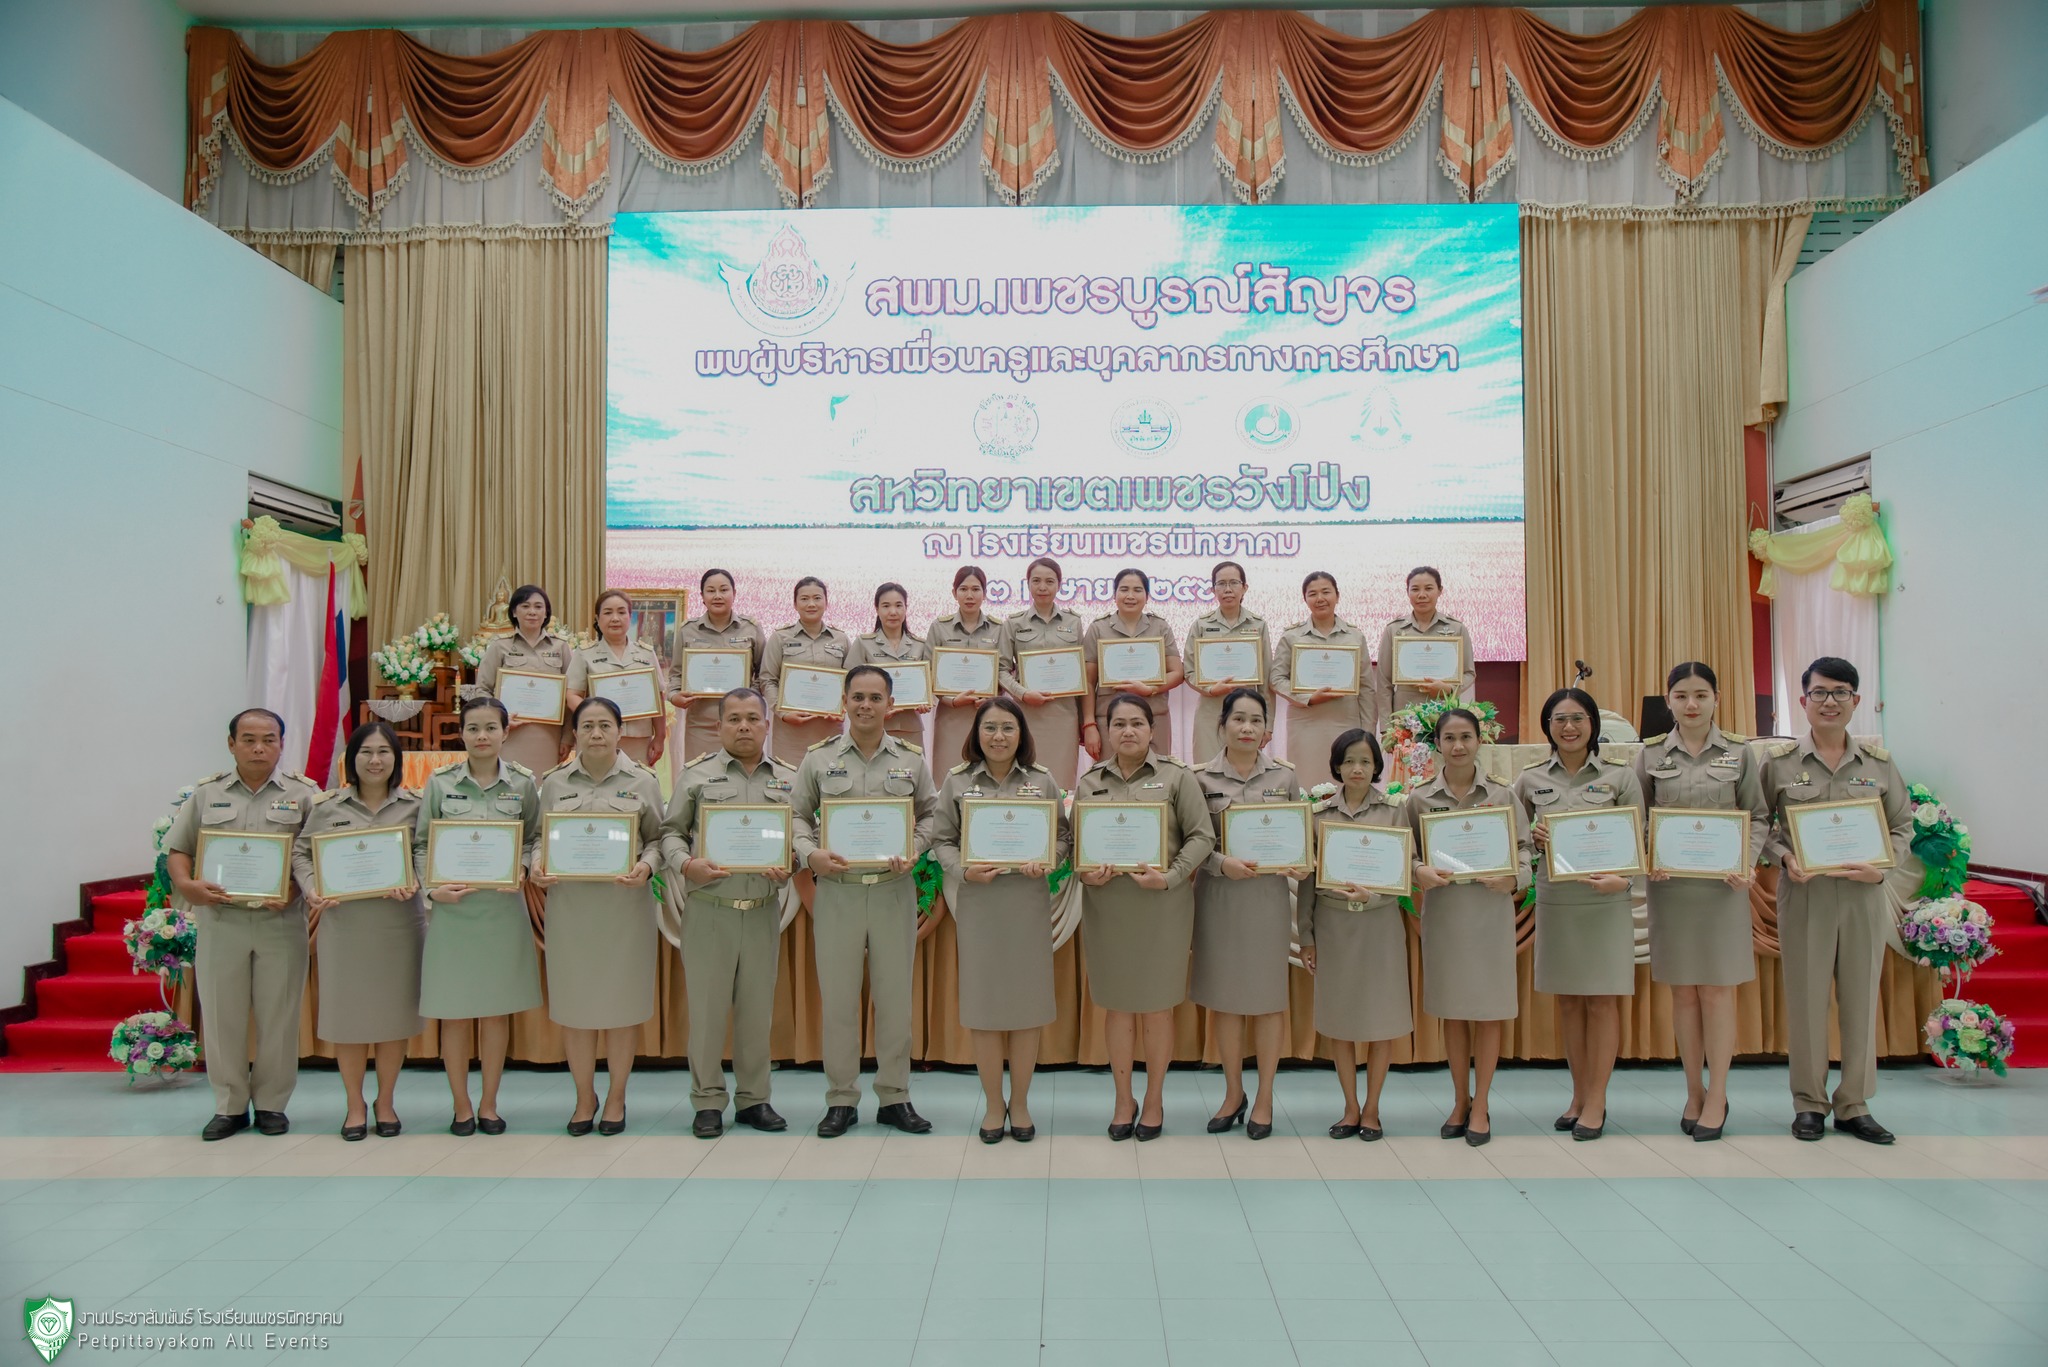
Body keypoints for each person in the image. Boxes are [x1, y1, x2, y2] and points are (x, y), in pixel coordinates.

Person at [1761, 656, 1912, 1145]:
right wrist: (1785, 858)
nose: (1830, 702)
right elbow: (1759, 824)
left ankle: (1854, 1104)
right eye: (1820, 692)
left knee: (1860, 999)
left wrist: (1882, 867)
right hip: (1806, 894)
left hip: (1863, 894)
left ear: (1856, 700)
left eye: (1841, 692)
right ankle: (1809, 1103)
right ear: (1803, 700)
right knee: (1806, 1001)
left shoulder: (1879, 764)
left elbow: (1902, 826)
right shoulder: (1779, 763)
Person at [791, 665, 939, 1138]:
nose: (866, 705)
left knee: (894, 1000)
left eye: (876, 698)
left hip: (893, 889)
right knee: (838, 1000)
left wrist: (915, 847)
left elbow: (933, 815)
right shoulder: (818, 758)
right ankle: (841, 1098)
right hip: (839, 892)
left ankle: (895, 1096)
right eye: (858, 697)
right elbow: (795, 816)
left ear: (890, 704)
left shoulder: (911, 760)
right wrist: (811, 853)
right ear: (844, 702)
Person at [164, 709, 321, 1140]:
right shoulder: (207, 794)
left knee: (280, 1016)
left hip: (280, 921)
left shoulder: (305, 794)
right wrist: (188, 886)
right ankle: (229, 1106)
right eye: (248, 739)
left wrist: (295, 889)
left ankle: (271, 1104)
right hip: (221, 921)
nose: (258, 748)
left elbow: (316, 854)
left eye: (269, 739)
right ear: (231, 743)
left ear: (281, 744)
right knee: (222, 1015)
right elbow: (178, 850)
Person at [1636, 662, 1768, 1143]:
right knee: (1683, 993)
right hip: (1670, 887)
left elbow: (1758, 815)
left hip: (1722, 889)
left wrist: (1746, 861)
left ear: (1717, 698)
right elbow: (1637, 816)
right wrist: (1647, 854)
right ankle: (1694, 1090)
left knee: (1716, 991)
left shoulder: (1740, 753)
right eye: (1681, 696)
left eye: (1701, 695)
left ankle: (1719, 1094)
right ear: (1668, 700)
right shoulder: (1650, 754)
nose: (1691, 704)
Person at [1075, 693, 1215, 1140]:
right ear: (1106, 731)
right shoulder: (1090, 781)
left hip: (1162, 908)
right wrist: (1085, 873)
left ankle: (1153, 1100)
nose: (1128, 731)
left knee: (1156, 1009)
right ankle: (1123, 1100)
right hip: (1108, 907)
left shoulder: (1177, 777)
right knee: (1117, 1008)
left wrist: (1171, 876)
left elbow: (1202, 836)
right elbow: (1074, 843)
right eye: (1118, 724)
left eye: (1137, 723)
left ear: (1153, 730)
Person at [531, 698, 672, 1136]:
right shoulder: (554, 782)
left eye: (605, 725)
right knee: (575, 1007)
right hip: (571, 909)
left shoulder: (643, 781)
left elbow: (659, 839)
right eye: (587, 725)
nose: (596, 733)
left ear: (619, 731)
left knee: (622, 1007)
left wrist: (646, 867)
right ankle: (584, 1096)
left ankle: (616, 1096)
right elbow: (537, 838)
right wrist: (536, 864)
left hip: (624, 908)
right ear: (574, 733)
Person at [931, 696, 1065, 1143]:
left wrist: (1048, 859)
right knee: (984, 1007)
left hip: (1027, 902)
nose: (999, 736)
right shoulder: (956, 781)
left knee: (1026, 1007)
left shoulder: (1042, 781)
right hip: (980, 904)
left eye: (1008, 727)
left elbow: (1063, 837)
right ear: (976, 733)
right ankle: (993, 1106)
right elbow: (941, 840)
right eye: (989, 727)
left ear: (1021, 734)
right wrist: (962, 870)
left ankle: (1020, 1104)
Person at [665, 688, 796, 1139]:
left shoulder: (788, 778)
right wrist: (687, 865)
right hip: (710, 910)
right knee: (706, 1013)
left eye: (752, 719)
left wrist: (792, 863)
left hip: (761, 910)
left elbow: (802, 835)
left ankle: (754, 1100)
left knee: (756, 1013)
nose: (744, 727)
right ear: (718, 726)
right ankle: (707, 1101)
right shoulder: (696, 776)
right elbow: (671, 833)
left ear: (766, 725)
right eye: (734, 719)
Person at [1517, 687, 1644, 1141]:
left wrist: (1623, 882)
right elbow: (1516, 839)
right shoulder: (1529, 779)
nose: (1568, 727)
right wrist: (1534, 840)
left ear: (1593, 724)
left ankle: (1597, 1099)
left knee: (1602, 1000)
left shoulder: (1620, 776)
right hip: (1558, 901)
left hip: (1605, 902)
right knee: (1569, 1001)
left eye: (1577, 719)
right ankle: (1578, 1095)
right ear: (1547, 726)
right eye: (1559, 719)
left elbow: (1640, 837)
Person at [414, 697, 543, 1136]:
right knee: (454, 1013)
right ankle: (461, 1106)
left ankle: (489, 1104)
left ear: (506, 732)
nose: (482, 736)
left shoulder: (523, 783)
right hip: (453, 913)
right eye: (473, 728)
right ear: (461, 733)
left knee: (494, 1013)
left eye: (491, 728)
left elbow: (535, 837)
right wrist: (431, 890)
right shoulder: (439, 783)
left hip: (502, 911)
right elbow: (420, 845)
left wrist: (522, 867)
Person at [293, 721, 424, 1140]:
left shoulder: (415, 806)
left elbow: (426, 852)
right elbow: (301, 853)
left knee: (393, 1018)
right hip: (344, 927)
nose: (375, 760)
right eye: (366, 752)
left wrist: (416, 880)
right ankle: (354, 1104)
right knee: (347, 1019)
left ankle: (385, 1102)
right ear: (351, 759)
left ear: (396, 760)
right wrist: (312, 888)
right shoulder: (327, 807)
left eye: (384, 752)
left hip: (397, 927)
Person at [1408, 708, 1529, 1147]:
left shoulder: (1502, 794)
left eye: (1466, 737)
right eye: (1449, 738)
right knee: (1455, 1011)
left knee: (1489, 1011)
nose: (1458, 746)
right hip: (1445, 916)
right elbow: (1406, 852)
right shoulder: (1419, 798)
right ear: (1437, 744)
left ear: (1480, 741)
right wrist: (1418, 870)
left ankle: (1482, 1105)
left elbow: (1525, 849)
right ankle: (1461, 1100)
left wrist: (1515, 878)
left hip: (1489, 914)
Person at [1191, 688, 1307, 1140]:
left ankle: (1265, 1098)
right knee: (1226, 1000)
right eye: (1238, 719)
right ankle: (1233, 1092)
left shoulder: (1285, 777)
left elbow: (1298, 837)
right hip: (1219, 899)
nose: (1246, 728)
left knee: (1268, 1000)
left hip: (1266, 901)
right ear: (1222, 726)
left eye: (1256, 720)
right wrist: (1222, 864)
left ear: (1267, 730)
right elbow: (1191, 842)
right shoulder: (1199, 778)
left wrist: (1300, 859)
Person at [1299, 729, 1413, 1141]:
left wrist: (1375, 895)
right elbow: (1307, 884)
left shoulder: (1394, 812)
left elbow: (1406, 871)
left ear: (1377, 766)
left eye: (1365, 761)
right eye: (1348, 761)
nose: (1357, 769)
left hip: (1379, 925)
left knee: (1381, 1019)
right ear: (1336, 766)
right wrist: (1307, 937)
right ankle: (1350, 1107)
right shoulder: (1318, 815)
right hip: (1333, 927)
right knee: (1340, 1020)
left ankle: (1373, 1109)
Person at [1272, 571, 1377, 782]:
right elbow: (1276, 678)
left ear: (1337, 596)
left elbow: (1366, 688)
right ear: (1305, 599)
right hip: (1305, 723)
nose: (1320, 598)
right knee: (1306, 782)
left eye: (1326, 592)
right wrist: (1308, 698)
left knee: (1345, 782)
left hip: (1346, 722)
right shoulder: (1292, 636)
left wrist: (1368, 732)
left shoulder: (1355, 636)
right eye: (1312, 594)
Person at [999, 556, 1095, 787]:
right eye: (1036, 581)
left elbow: (1081, 675)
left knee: (1061, 784)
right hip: (1026, 715)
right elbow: (1001, 670)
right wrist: (1023, 694)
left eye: (1049, 581)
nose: (1042, 587)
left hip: (1064, 717)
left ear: (1059, 585)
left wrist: (1085, 722)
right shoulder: (1013, 623)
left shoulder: (1073, 622)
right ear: (1028, 584)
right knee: (1026, 784)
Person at [667, 568, 767, 763]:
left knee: (742, 775)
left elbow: (763, 674)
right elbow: (675, 674)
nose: (718, 596)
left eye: (724, 590)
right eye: (711, 591)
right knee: (701, 775)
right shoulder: (688, 630)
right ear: (702, 596)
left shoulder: (751, 628)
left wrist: (748, 696)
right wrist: (674, 696)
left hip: (743, 723)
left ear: (734, 593)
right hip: (701, 724)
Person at [1082, 569, 1184, 757]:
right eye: (1124, 590)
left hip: (1154, 716)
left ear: (1147, 596)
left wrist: (1151, 689)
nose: (1130, 596)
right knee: (1111, 773)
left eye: (1137, 590)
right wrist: (1089, 724)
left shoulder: (1160, 627)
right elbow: (1088, 681)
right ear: (1114, 595)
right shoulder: (1098, 628)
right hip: (1109, 718)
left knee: (1157, 772)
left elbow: (1177, 672)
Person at [475, 583, 574, 775]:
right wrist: (498, 720)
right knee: (510, 785)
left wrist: (568, 738)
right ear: (514, 611)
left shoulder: (560, 647)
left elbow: (572, 694)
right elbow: (482, 690)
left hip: (549, 736)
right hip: (509, 734)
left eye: (538, 606)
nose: (532, 612)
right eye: (525, 606)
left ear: (546, 613)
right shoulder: (499, 647)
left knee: (544, 784)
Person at [566, 589, 669, 768]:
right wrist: (596, 714)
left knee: (637, 783)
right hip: (596, 736)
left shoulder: (646, 653)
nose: (615, 618)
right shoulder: (584, 654)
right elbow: (572, 695)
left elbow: (658, 698)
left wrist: (659, 737)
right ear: (598, 618)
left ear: (630, 617)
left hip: (638, 738)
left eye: (621, 612)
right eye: (608, 613)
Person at [1183, 561, 1273, 764]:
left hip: (1248, 713)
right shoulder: (1201, 625)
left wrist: (1268, 723)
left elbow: (1266, 678)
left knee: (1245, 770)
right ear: (1213, 589)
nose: (1228, 589)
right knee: (1207, 771)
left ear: (1245, 588)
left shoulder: (1258, 625)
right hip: (1211, 712)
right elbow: (1189, 669)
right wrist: (1210, 689)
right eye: (1221, 584)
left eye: (1234, 583)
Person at [760, 576, 854, 766]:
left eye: (817, 598)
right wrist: (782, 712)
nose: (811, 604)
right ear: (795, 604)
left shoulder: (841, 639)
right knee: (789, 781)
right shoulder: (780, 638)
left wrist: (843, 708)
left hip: (829, 731)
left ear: (826, 602)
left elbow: (853, 683)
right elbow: (767, 680)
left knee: (829, 780)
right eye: (804, 599)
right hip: (790, 733)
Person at [926, 565, 1003, 782]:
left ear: (984, 593)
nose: (970, 595)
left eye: (976, 589)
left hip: (988, 716)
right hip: (951, 718)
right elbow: (928, 672)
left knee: (988, 781)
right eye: (963, 589)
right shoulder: (939, 628)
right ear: (954, 593)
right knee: (948, 780)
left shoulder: (998, 628)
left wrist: (992, 696)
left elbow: (1005, 670)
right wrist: (951, 700)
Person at [1374, 565, 1478, 721]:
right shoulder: (1394, 630)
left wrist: (1449, 689)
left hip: (1445, 712)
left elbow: (1469, 673)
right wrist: (1387, 725)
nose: (1422, 595)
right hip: (1404, 715)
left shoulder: (1456, 628)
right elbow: (1384, 683)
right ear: (1407, 592)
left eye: (1429, 588)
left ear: (1440, 590)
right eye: (1415, 589)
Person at [847, 581, 933, 749]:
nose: (893, 612)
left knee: (911, 766)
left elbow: (931, 684)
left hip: (910, 727)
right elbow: (848, 685)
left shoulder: (920, 645)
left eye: (899, 605)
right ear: (877, 609)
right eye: (886, 606)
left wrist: (927, 701)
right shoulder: (863, 643)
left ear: (906, 608)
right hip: (872, 726)